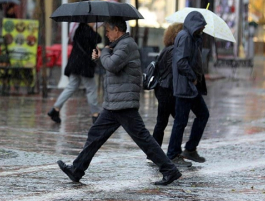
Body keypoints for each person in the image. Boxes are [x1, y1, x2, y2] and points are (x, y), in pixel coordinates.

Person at [57, 17, 182, 186]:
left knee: (143, 138)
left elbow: (112, 64)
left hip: (123, 102)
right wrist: (100, 57)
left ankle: (170, 170)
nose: (106, 34)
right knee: (96, 134)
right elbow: (111, 67)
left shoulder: (126, 45)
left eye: (108, 31)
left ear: (117, 29)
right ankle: (77, 169)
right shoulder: (118, 46)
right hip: (115, 101)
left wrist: (104, 53)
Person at [166, 11, 210, 165]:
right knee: (181, 121)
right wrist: (192, 77)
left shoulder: (193, 37)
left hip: (191, 87)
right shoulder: (185, 37)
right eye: (201, 26)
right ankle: (173, 153)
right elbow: (181, 62)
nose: (202, 29)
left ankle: (190, 149)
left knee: (202, 115)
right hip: (186, 86)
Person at [47, 23, 102, 124]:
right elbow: (98, 39)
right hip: (84, 65)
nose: (94, 23)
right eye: (92, 21)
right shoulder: (88, 31)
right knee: (91, 88)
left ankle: (55, 108)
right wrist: (94, 30)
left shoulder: (78, 30)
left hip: (74, 63)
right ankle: (95, 114)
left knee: (71, 86)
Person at [151, 23, 183, 149]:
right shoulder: (174, 51)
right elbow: (174, 71)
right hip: (169, 90)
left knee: (162, 122)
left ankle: (154, 152)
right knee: (178, 121)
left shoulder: (166, 49)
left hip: (163, 89)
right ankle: (173, 151)